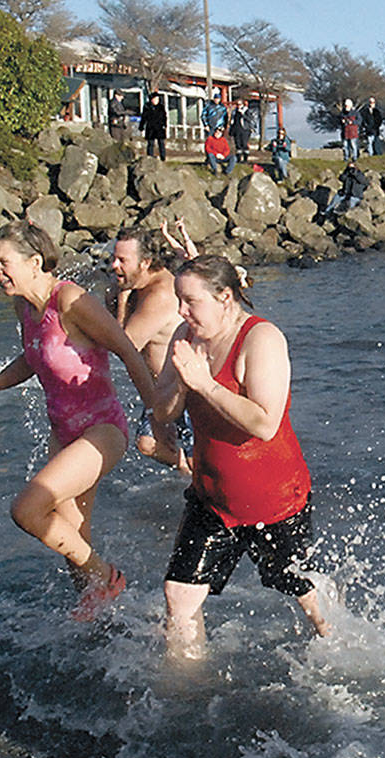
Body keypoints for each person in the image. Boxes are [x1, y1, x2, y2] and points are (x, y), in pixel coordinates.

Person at [0, 221, 157, 621]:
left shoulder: (72, 301)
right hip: (63, 432)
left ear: (35, 262)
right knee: (70, 539)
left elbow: (128, 350)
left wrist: (159, 418)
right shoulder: (25, 307)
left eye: (3, 261)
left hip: (103, 431)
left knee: (27, 511)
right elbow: (32, 357)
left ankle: (108, 578)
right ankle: (104, 627)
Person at [153, 255, 331, 658]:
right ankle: (186, 694)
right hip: (212, 497)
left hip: (275, 498)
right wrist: (182, 386)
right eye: (178, 300)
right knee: (179, 596)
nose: (180, 311)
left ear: (226, 298)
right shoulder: (184, 336)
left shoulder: (261, 338)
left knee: (303, 594)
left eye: (190, 301)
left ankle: (335, 650)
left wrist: (205, 385)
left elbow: (265, 423)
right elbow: (159, 413)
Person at [110, 225, 190, 472]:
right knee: (147, 443)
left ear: (145, 263)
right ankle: (189, 475)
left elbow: (125, 346)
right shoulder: (137, 285)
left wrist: (122, 299)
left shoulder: (161, 294)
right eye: (113, 258)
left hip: (184, 391)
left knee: (201, 460)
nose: (114, 266)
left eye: (122, 260)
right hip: (160, 388)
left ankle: (197, 479)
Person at [141, 93, 168, 161]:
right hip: (151, 128)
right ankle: (150, 157)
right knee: (150, 143)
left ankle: (163, 157)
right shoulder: (147, 107)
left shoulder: (161, 107)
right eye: (155, 99)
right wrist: (141, 126)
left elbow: (164, 117)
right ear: (152, 100)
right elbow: (144, 117)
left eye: (158, 99)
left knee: (161, 143)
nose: (157, 100)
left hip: (159, 128)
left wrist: (164, 125)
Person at [229, 99, 252, 163]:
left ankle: (245, 159)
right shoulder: (234, 112)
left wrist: (243, 114)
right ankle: (238, 159)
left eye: (239, 104)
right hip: (236, 130)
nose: (238, 106)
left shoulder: (246, 111)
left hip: (244, 130)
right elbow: (232, 121)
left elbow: (249, 119)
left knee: (244, 144)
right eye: (237, 104)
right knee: (238, 144)